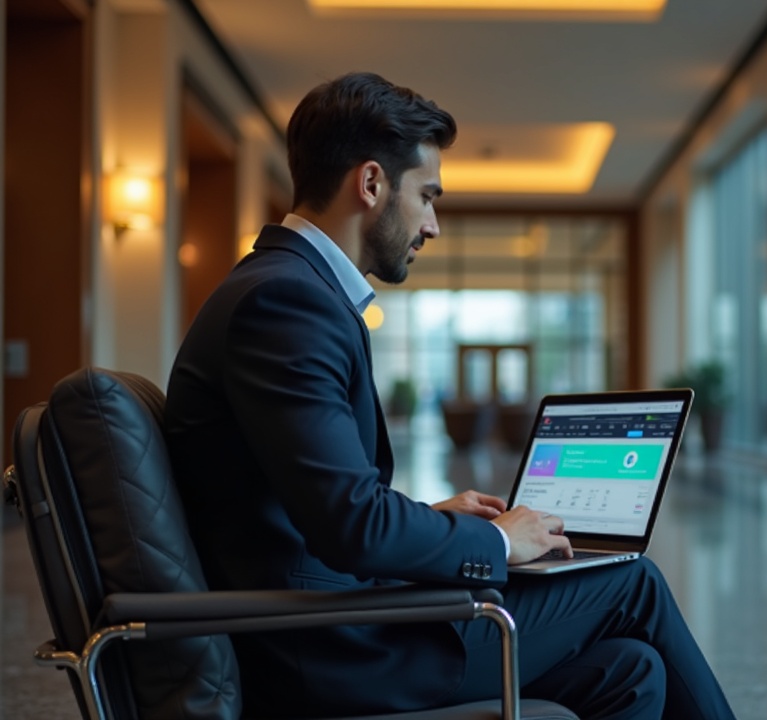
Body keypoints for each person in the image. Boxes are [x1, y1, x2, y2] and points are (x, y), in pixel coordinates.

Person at [164, 71, 736, 720]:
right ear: (372, 183)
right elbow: (349, 524)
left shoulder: (283, 289)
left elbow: (313, 503)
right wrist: (496, 544)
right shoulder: (287, 303)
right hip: (331, 651)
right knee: (635, 583)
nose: (432, 225)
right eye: (427, 196)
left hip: (330, 621)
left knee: (632, 673)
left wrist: (443, 516)